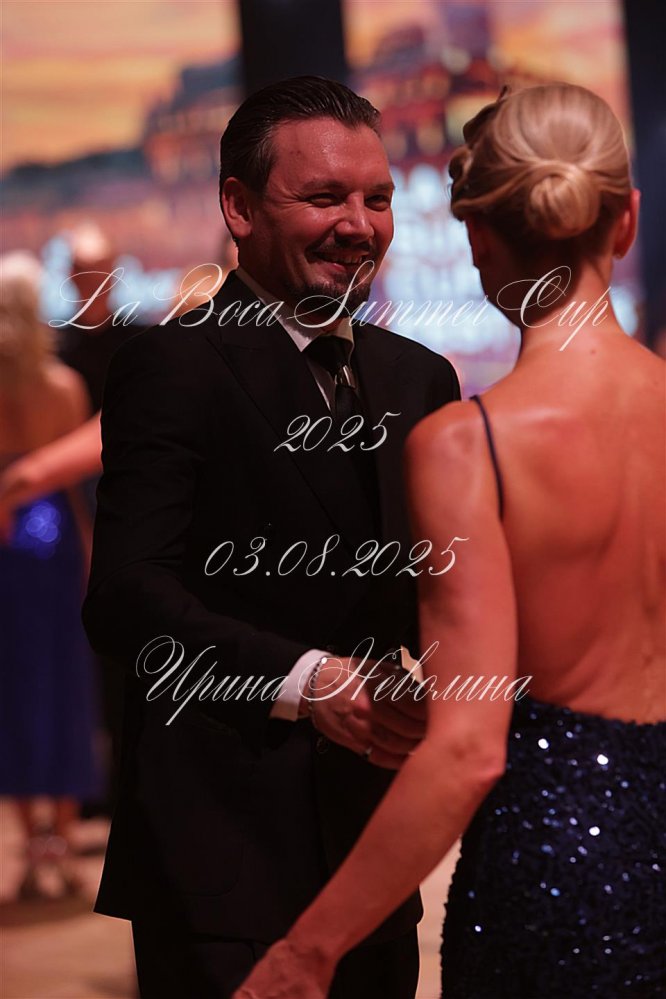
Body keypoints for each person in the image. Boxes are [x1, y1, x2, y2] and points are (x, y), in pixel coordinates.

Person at [235, 82, 666, 999]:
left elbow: (468, 750)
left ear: (476, 237)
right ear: (626, 220)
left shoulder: (472, 446)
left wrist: (306, 951)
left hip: (554, 877)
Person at [82, 76, 460, 999]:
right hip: (221, 859)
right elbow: (126, 597)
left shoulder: (421, 377)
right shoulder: (172, 366)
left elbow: (431, 592)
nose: (359, 225)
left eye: (377, 198)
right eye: (325, 197)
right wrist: (305, 681)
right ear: (239, 207)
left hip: (373, 856)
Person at [0, 251, 100, 898]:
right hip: (52, 536)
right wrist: (89, 554)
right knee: (64, 683)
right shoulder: (64, 387)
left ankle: (27, 840)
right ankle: (59, 843)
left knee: (10, 687)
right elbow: (78, 493)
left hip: (5, 538)